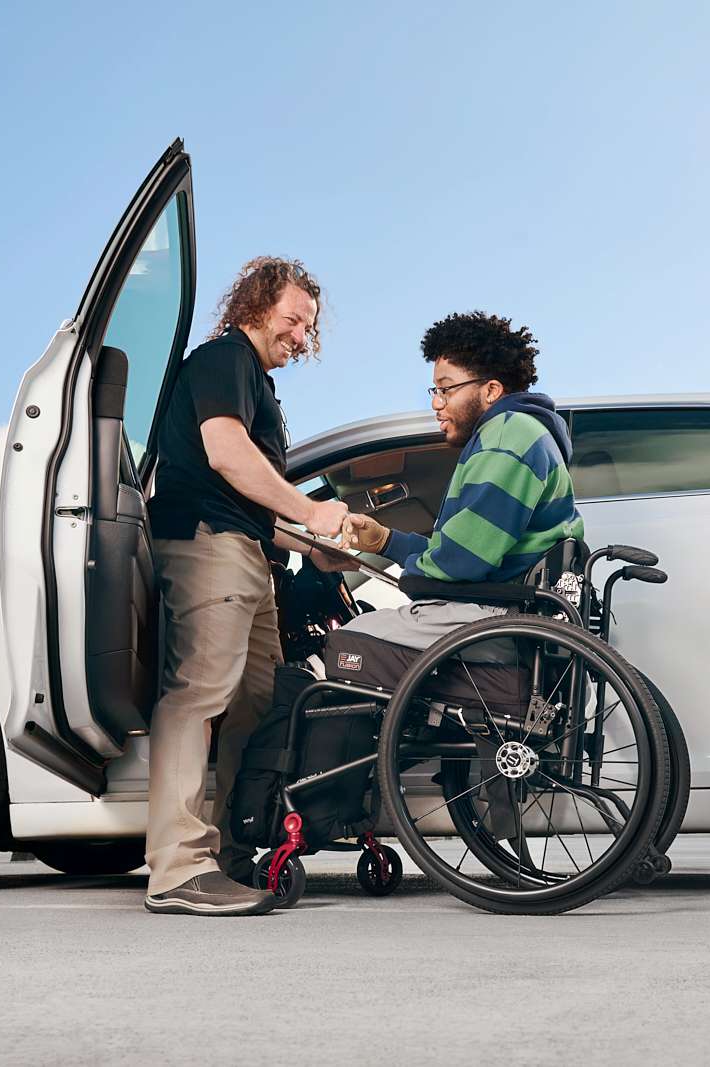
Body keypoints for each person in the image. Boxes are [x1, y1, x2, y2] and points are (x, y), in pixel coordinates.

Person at [143, 257, 350, 917]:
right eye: (295, 318)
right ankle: (177, 867)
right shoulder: (223, 359)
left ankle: (231, 853)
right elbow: (226, 454)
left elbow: (253, 506)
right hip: (208, 546)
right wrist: (310, 511)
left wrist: (315, 546)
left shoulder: (256, 380)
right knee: (199, 694)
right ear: (256, 305)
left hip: (248, 550)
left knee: (257, 700)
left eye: (308, 326)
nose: (300, 334)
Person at [340, 311, 585, 652]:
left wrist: (413, 577)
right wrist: (384, 542)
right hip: (500, 605)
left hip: (495, 613)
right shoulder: (513, 434)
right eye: (435, 390)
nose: (435, 404)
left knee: (349, 640)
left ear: (491, 390)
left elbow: (463, 560)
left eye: (446, 389)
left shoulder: (509, 435)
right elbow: (461, 549)